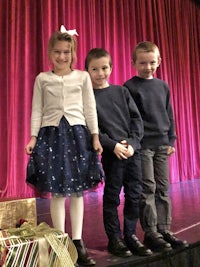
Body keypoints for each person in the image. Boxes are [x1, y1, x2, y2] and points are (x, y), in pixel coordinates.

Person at [25, 25, 103, 266]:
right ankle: (60, 241)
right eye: (57, 51)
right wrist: (33, 137)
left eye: (66, 52)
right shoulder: (42, 79)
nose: (62, 56)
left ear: (73, 53)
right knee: (57, 189)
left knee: (77, 189)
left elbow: (90, 107)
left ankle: (77, 241)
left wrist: (95, 135)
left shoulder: (82, 77)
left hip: (77, 135)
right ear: (50, 53)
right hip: (51, 137)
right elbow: (37, 109)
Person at [85, 48, 152, 258]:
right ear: (87, 71)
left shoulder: (122, 92)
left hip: (132, 152)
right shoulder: (88, 98)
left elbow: (136, 120)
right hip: (112, 154)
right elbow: (92, 129)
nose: (100, 73)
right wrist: (113, 146)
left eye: (104, 68)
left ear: (111, 68)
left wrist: (132, 143)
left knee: (134, 194)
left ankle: (131, 235)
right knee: (112, 196)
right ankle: (115, 238)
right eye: (94, 69)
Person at [124, 41, 188, 252]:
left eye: (152, 62)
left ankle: (164, 228)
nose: (148, 67)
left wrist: (171, 139)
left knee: (163, 188)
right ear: (133, 63)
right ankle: (151, 232)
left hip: (162, 144)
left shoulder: (163, 86)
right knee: (147, 188)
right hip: (143, 146)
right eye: (143, 63)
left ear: (159, 62)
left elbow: (169, 113)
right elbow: (131, 118)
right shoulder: (130, 87)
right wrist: (134, 141)